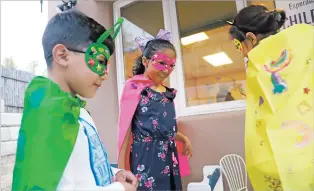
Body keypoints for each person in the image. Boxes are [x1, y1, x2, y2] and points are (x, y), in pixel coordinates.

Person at [11, 10, 138, 191]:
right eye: (100, 61)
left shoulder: (78, 111)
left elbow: (84, 167)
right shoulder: (48, 116)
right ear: (62, 55)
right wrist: (120, 189)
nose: (106, 74)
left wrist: (114, 173)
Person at [227, 5, 314, 190]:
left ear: (250, 38)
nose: (241, 53)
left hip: (284, 160)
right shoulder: (304, 42)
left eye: (238, 45)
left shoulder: (259, 63)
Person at [117, 29, 192, 191]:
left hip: (170, 160)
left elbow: (164, 129)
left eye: (171, 65)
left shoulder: (167, 93)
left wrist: (183, 138)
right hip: (146, 160)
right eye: (161, 63)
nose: (166, 69)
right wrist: (121, 170)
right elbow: (125, 131)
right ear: (145, 61)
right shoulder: (134, 88)